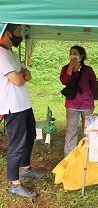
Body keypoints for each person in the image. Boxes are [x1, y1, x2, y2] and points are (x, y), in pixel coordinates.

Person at [0, 23, 43, 198]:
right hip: (12, 106)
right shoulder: (1, 54)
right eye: (18, 32)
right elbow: (19, 79)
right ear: (8, 34)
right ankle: (14, 184)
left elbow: (27, 74)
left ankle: (25, 168)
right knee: (16, 144)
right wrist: (22, 75)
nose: (21, 35)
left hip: (23, 103)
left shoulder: (9, 53)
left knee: (30, 136)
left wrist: (22, 75)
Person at [60, 46, 96, 155]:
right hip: (72, 104)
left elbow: (93, 85)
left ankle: (89, 154)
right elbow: (64, 81)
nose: (72, 55)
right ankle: (69, 155)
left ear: (81, 55)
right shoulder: (66, 68)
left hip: (87, 104)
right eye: (71, 53)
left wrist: (88, 96)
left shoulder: (88, 70)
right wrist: (70, 68)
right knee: (71, 130)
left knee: (89, 130)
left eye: (75, 53)